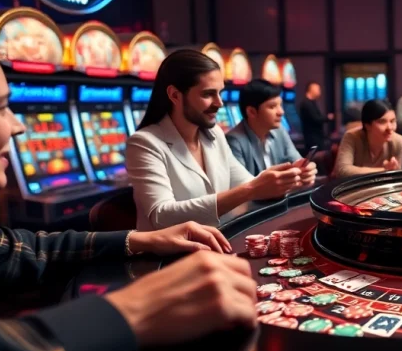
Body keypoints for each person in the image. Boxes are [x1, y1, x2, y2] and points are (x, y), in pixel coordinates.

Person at [0, 25, 257, 351]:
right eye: (1, 106)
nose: (18, 127)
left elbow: (17, 250)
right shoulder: (147, 141)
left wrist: (139, 239)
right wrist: (136, 309)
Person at [126, 50, 316, 231]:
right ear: (175, 95)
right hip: (174, 253)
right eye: (208, 94)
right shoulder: (144, 143)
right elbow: (162, 216)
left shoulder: (214, 134)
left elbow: (248, 183)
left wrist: (289, 178)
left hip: (221, 241)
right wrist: (251, 189)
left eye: (220, 93)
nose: (220, 103)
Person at [226, 79, 302, 176]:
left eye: (280, 105)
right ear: (251, 112)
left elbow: (297, 162)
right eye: (272, 107)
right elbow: (241, 183)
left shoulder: (280, 131)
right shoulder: (234, 141)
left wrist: (305, 171)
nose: (281, 112)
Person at [333, 99, 402, 178]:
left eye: (392, 121)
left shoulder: (398, 141)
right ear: (367, 125)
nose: (390, 128)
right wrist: (385, 170)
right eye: (382, 122)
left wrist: (390, 170)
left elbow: (397, 175)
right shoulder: (352, 137)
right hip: (355, 185)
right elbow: (342, 171)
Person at [297, 82, 333, 151]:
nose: (320, 91)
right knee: (315, 155)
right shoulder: (306, 104)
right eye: (318, 89)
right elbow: (315, 118)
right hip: (312, 138)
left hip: (316, 137)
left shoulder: (311, 103)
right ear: (312, 89)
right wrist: (327, 118)